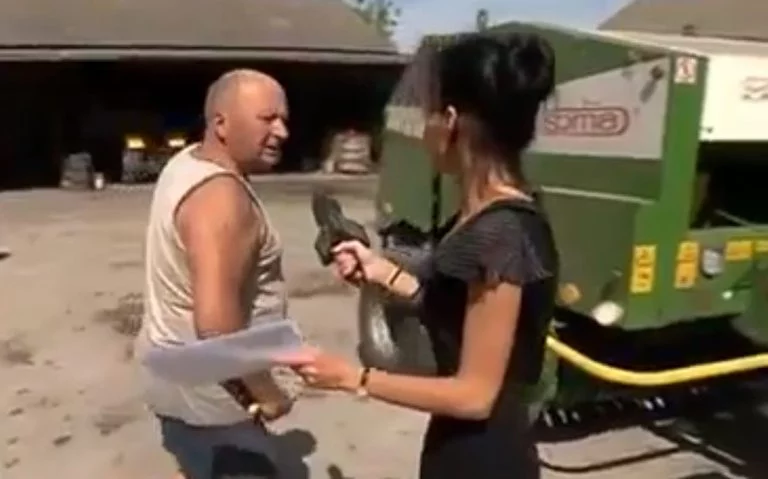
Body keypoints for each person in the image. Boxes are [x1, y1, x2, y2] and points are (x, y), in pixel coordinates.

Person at [277, 33, 559, 478]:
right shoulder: (481, 216)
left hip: (485, 458)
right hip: (457, 444)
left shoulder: (500, 233)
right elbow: (454, 306)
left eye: (429, 113)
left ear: (450, 121)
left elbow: (474, 395)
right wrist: (381, 272)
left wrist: (353, 378)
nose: (424, 129)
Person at [133, 69, 299, 479]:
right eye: (268, 119)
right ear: (220, 124)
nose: (282, 132)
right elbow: (217, 328)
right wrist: (269, 394)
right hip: (215, 402)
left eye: (283, 120)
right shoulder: (222, 198)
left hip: (170, 375)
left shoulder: (187, 161)